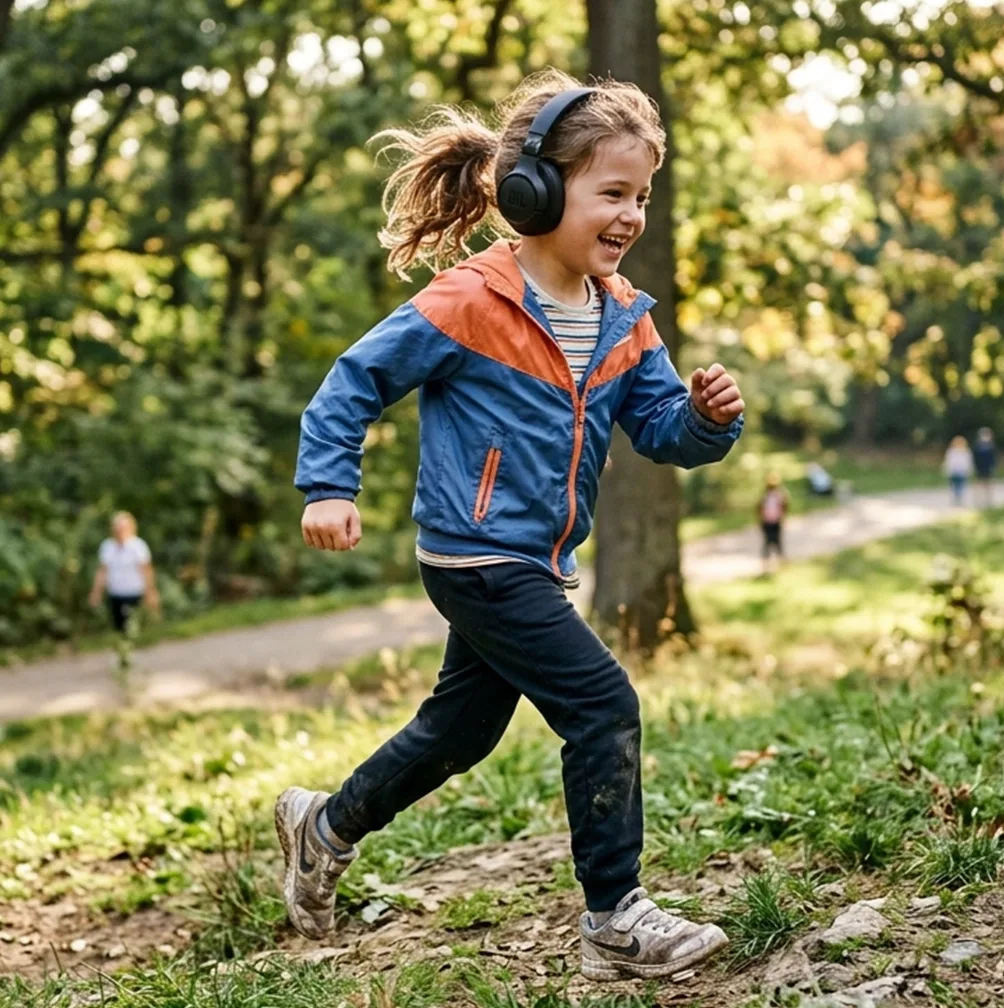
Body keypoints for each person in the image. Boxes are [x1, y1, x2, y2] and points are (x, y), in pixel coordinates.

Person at [274, 70, 745, 982]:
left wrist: (710, 420)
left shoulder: (624, 318)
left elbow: (660, 431)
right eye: (612, 192)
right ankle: (614, 918)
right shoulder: (468, 300)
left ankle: (323, 825)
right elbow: (353, 382)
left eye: (641, 195)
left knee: (461, 731)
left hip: (535, 560)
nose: (631, 214)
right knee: (602, 705)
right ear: (535, 188)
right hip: (477, 556)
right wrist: (327, 486)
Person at [88, 511, 160, 672]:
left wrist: (151, 592)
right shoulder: (107, 547)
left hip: (134, 592)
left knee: (130, 625)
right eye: (117, 528)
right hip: (115, 593)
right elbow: (102, 571)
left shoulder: (138, 546)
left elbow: (146, 571)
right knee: (118, 627)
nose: (119, 531)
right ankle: (123, 656)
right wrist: (96, 592)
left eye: (123, 527)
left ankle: (130, 655)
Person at [758, 473, 789, 573]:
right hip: (768, 522)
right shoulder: (765, 496)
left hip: (775, 521)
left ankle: (780, 561)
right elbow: (760, 509)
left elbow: (784, 507)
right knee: (768, 542)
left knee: (777, 542)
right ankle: (767, 563)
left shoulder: (779, 495)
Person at [943, 435, 974, 506]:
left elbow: (949, 462)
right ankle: (959, 498)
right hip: (961, 471)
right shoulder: (965, 451)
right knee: (960, 485)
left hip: (955, 471)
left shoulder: (952, 451)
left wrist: (947, 470)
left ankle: (957, 498)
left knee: (955, 486)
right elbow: (968, 462)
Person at [973, 427, 997, 507]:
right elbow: (975, 458)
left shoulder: (991, 446)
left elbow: (994, 458)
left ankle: (987, 501)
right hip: (980, 468)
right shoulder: (978, 446)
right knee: (981, 485)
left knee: (987, 485)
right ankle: (980, 501)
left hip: (987, 468)